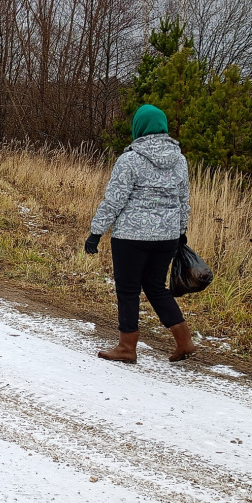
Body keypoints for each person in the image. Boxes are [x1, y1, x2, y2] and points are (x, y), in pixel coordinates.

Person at [85, 104, 196, 363]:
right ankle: (185, 341)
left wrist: (96, 232)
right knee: (156, 287)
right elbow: (184, 200)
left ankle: (127, 347)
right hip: (167, 237)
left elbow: (114, 201)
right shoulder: (180, 160)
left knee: (128, 289)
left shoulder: (130, 160)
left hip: (131, 237)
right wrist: (181, 232)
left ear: (139, 127)